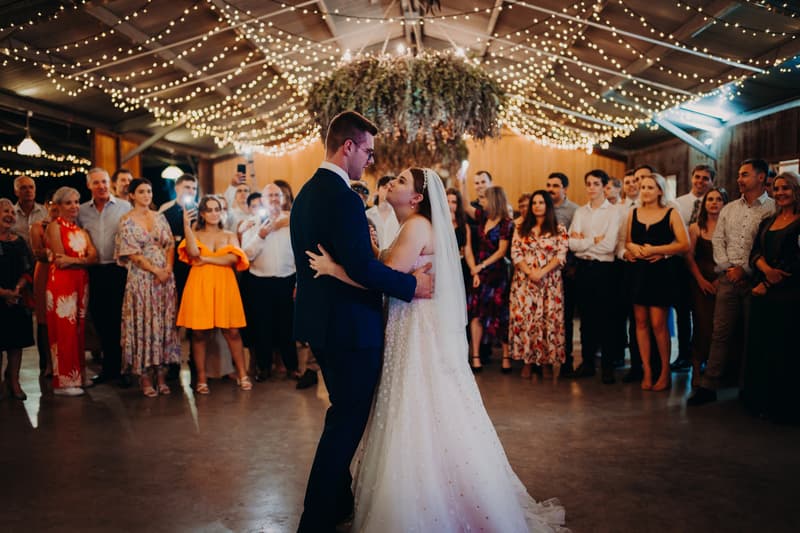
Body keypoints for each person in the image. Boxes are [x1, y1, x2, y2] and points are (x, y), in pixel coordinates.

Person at [306, 167, 567, 532]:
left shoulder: (416, 225)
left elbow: (380, 279)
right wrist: (374, 250)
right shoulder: (411, 225)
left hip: (416, 327)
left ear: (415, 198)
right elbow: (390, 267)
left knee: (416, 403)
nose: (392, 183)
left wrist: (335, 269)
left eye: (401, 182)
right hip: (409, 322)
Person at [289, 110, 433, 533]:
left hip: (323, 322)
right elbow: (364, 270)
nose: (370, 160)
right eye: (367, 150)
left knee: (344, 414)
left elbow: (352, 262)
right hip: (349, 327)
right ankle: (315, 518)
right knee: (346, 422)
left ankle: (338, 501)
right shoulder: (342, 196)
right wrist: (412, 287)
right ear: (348, 146)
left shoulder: (308, 192)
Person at [688, 159, 776, 406]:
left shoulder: (772, 209)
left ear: (761, 177)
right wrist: (728, 268)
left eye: (745, 174)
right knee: (720, 333)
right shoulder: (729, 209)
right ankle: (709, 385)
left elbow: (770, 246)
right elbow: (718, 240)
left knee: (752, 335)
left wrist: (745, 270)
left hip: (755, 280)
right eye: (739, 174)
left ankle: (749, 388)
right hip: (727, 279)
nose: (739, 179)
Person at [176, 195, 252, 394]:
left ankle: (242, 374)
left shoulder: (229, 234)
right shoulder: (196, 233)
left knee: (233, 331)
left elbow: (233, 259)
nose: (213, 213)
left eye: (217, 209)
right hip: (200, 284)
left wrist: (207, 260)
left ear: (222, 211)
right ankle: (201, 378)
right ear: (201, 213)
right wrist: (186, 226)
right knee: (200, 333)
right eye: (208, 210)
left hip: (225, 284)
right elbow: (192, 253)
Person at [623, 174, 690, 391]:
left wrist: (657, 251)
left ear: (660, 190)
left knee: (658, 325)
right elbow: (628, 241)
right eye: (643, 187)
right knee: (640, 323)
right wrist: (631, 249)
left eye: (650, 187)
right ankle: (647, 371)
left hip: (660, 273)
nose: (645, 191)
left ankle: (664, 371)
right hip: (637, 272)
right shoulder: (633, 212)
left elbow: (684, 244)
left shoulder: (671, 213)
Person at [742, 172, 800, 423]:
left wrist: (769, 281)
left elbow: (796, 261)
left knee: (785, 350)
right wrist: (764, 270)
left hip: (790, 296)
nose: (780, 193)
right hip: (763, 295)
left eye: (786, 188)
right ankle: (760, 401)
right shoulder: (769, 220)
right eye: (776, 189)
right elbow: (755, 251)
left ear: (796, 190)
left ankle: (783, 406)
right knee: (761, 347)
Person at [115, 179, 181, 397]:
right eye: (141, 191)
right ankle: (144, 377)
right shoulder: (126, 221)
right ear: (132, 195)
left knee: (163, 324)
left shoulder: (160, 217)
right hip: (142, 278)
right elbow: (132, 253)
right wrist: (155, 270)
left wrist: (168, 268)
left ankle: (162, 375)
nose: (146, 195)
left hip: (165, 278)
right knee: (145, 324)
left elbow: (170, 244)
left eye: (149, 191)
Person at [569, 169, 623, 384]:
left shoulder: (613, 212)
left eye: (595, 184)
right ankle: (588, 363)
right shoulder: (581, 212)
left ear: (604, 186)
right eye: (588, 183)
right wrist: (593, 240)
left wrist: (584, 241)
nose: (591, 187)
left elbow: (609, 244)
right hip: (583, 268)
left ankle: (608, 366)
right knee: (586, 319)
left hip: (604, 270)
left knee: (606, 319)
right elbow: (571, 244)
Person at [78, 167, 132, 386]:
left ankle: (123, 369)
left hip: (118, 269)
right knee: (100, 319)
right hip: (93, 271)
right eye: (96, 183)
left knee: (119, 320)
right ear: (89, 186)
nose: (101, 186)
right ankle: (109, 369)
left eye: (104, 182)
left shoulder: (124, 207)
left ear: (110, 183)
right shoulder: (81, 211)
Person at [241, 183, 299, 382]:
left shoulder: (293, 222)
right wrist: (260, 236)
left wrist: (298, 283)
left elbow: (299, 254)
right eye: (270, 195)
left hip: (287, 279)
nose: (274, 198)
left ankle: (292, 367)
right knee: (262, 327)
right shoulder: (252, 223)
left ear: (283, 198)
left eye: (277, 195)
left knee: (288, 326)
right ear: (262, 200)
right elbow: (246, 255)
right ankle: (264, 367)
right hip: (259, 281)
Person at [510, 190, 568, 378]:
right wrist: (529, 272)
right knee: (527, 321)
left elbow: (561, 255)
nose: (537, 206)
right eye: (534, 202)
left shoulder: (559, 228)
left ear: (548, 205)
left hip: (549, 283)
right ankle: (527, 361)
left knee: (547, 322)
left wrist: (541, 272)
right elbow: (515, 253)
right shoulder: (521, 228)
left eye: (541, 202)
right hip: (524, 282)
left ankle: (546, 363)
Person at [46, 187, 98, 396]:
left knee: (79, 328)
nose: (74, 206)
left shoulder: (81, 231)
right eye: (68, 203)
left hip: (80, 281)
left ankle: (78, 376)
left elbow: (93, 257)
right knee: (64, 329)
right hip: (62, 283)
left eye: (77, 202)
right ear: (58, 206)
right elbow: (60, 261)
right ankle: (65, 382)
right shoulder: (54, 227)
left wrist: (77, 261)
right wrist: (84, 261)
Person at [461, 185, 514, 373]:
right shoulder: (483, 218)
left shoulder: (506, 223)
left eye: (483, 198)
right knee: (476, 312)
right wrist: (462, 179)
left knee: (500, 313)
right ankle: (475, 356)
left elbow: (501, 251)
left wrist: (481, 266)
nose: (480, 201)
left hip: (496, 272)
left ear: (493, 200)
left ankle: (506, 356)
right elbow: (466, 205)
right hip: (480, 271)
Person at [685, 188, 728, 387]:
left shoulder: (729, 227)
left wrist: (721, 279)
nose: (714, 203)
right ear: (704, 204)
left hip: (723, 279)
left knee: (719, 327)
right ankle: (695, 368)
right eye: (710, 199)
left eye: (718, 199)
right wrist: (701, 280)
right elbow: (689, 257)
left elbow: (734, 255)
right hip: (700, 282)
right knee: (701, 325)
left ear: (724, 203)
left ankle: (715, 370)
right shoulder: (695, 227)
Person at [0, 198, 35, 401]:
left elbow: (27, 269)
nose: (10, 216)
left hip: (17, 298)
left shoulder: (19, 241)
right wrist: (3, 293)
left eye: (13, 212)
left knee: (16, 343)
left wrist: (17, 289)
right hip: (2, 297)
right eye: (6, 211)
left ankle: (14, 381)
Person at [546, 172, 579, 375]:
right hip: (546, 271)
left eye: (555, 185)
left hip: (567, 270)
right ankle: (547, 358)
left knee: (565, 317)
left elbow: (574, 239)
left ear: (565, 188)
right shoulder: (544, 207)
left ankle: (567, 359)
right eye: (548, 185)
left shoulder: (575, 210)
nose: (551, 189)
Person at [29, 197, 59, 377]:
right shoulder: (38, 226)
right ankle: (47, 363)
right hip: (45, 272)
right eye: (53, 205)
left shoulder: (68, 225)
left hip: (64, 272)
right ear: (47, 205)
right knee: (44, 319)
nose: (56, 208)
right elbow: (38, 253)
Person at [11, 175, 48, 246]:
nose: (28, 191)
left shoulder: (46, 212)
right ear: (16, 192)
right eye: (23, 188)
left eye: (31, 187)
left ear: (35, 190)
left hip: (41, 255)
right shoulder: (10, 214)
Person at [365, 175, 400, 250]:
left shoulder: (400, 216)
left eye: (391, 188)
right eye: (385, 187)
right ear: (377, 190)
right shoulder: (367, 215)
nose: (388, 190)